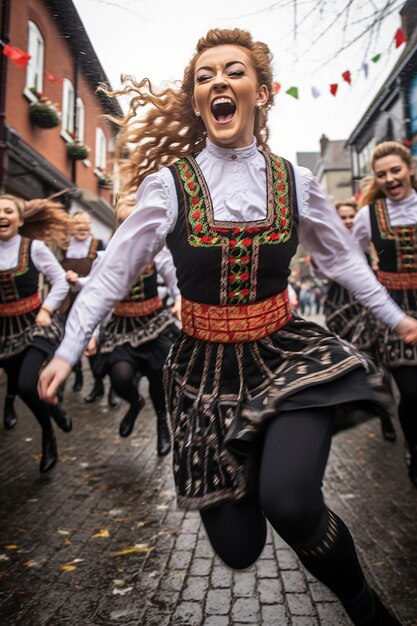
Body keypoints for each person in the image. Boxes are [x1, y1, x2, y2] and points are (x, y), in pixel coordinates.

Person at [38, 28, 417, 625]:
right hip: (204, 374)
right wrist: (65, 349)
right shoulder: (168, 186)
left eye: (235, 71)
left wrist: (399, 320)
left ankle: (367, 609)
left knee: (290, 505)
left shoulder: (296, 181)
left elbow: (342, 258)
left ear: (262, 93)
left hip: (286, 358)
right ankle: (258, 454)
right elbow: (112, 274)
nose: (219, 81)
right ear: (196, 100)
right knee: (238, 549)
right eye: (206, 75)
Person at [68, 193, 181, 455]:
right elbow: (95, 293)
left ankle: (162, 424)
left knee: (157, 377)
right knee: (120, 378)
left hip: (154, 324)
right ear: (117, 223)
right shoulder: (105, 256)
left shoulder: (157, 251)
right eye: (123, 220)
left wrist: (179, 300)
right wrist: (92, 334)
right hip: (122, 327)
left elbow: (175, 280)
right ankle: (134, 403)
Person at [353, 141, 417, 488]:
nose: (391, 179)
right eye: (382, 175)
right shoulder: (368, 215)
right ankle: (414, 445)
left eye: (395, 170)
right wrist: (373, 279)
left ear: (409, 169)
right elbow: (351, 254)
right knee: (412, 390)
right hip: (394, 310)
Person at [0, 193, 72, 472]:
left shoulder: (34, 248)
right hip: (4, 331)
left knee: (27, 385)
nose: (2, 216)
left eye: (8, 211)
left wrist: (47, 309)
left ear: (19, 219)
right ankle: (50, 410)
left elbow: (59, 282)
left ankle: (48, 436)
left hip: (34, 326)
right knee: (19, 387)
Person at [323, 198, 397, 442]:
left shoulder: (367, 246)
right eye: (342, 217)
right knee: (354, 360)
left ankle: (385, 411)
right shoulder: (329, 245)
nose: (347, 221)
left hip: (366, 310)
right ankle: (366, 403)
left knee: (374, 358)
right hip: (341, 310)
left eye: (350, 216)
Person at [59, 210, 118, 406]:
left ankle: (101, 385)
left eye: (85, 224)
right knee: (69, 338)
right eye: (78, 224)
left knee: (95, 345)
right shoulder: (65, 246)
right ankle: (78, 377)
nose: (82, 228)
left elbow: (104, 272)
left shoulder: (99, 245)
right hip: (70, 299)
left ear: (90, 226)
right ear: (71, 226)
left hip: (93, 297)